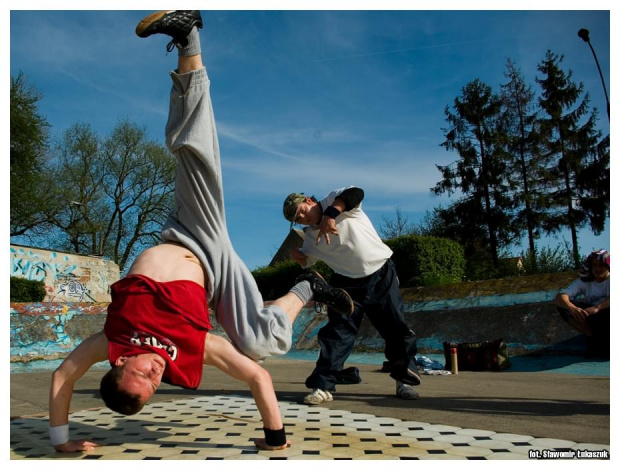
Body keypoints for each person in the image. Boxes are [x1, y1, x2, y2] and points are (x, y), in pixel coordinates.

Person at [48, 10, 354, 453]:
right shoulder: (189, 350)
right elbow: (256, 377)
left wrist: (60, 441)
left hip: (191, 234)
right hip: (216, 278)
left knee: (191, 153)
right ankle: (307, 288)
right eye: (154, 388)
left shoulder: (110, 341)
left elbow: (63, 375)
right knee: (259, 346)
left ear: (121, 364)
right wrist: (275, 439)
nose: (156, 378)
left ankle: (187, 37)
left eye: (143, 378)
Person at [282, 188, 421, 405]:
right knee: (338, 334)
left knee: (394, 326)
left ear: (309, 201)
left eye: (301, 211)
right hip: (346, 284)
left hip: (380, 274)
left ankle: (404, 381)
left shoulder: (336, 202)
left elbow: (356, 193)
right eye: (296, 219)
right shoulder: (310, 239)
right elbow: (306, 262)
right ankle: (323, 386)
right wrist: (296, 256)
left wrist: (330, 216)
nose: (301, 218)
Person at [554, 249, 610, 358]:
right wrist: (572, 308)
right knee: (564, 307)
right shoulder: (585, 280)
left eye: (601, 265)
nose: (598, 269)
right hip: (591, 316)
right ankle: (592, 336)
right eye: (594, 265)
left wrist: (597, 307)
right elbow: (560, 296)